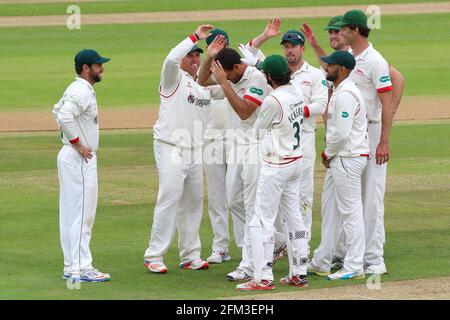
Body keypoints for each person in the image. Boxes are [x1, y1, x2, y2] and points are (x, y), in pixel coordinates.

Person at [240, 19, 328, 258]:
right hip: (277, 143)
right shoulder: (277, 70)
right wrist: (265, 35)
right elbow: (248, 51)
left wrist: (296, 111)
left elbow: (321, 104)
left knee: (302, 199)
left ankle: (301, 252)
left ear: (302, 48)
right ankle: (281, 248)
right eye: (286, 46)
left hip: (304, 140)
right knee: (279, 202)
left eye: (293, 46)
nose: (289, 50)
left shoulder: (314, 75)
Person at [143, 25, 217, 273]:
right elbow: (171, 58)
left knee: (194, 202)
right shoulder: (172, 78)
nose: (194, 59)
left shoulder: (203, 85)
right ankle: (154, 255)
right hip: (170, 146)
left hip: (195, 149)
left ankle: (190, 255)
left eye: (198, 55)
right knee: (169, 197)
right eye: (191, 56)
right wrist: (195, 37)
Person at [236, 55, 309, 291]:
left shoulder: (272, 101)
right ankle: (299, 273)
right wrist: (257, 63)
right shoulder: (296, 90)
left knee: (261, 221)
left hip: (276, 166)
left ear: (268, 77)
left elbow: (257, 130)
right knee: (294, 218)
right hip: (296, 163)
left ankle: (263, 277)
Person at [337, 10, 396, 274]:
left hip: (372, 134)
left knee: (371, 196)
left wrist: (384, 141)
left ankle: (374, 259)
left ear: (356, 30)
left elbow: (387, 102)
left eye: (344, 29)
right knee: (352, 197)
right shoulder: (349, 59)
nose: (340, 34)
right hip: (353, 134)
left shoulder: (375, 61)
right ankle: (353, 255)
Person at [206, 47, 272, 281]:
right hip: (238, 146)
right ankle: (262, 248)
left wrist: (225, 85)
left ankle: (252, 262)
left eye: (226, 75)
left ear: (235, 67)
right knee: (234, 199)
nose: (225, 80)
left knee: (252, 204)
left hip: (256, 146)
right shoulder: (229, 74)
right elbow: (202, 80)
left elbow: (245, 112)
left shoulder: (256, 78)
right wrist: (209, 58)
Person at [308, 50, 369, 280]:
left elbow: (342, 133)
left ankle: (354, 264)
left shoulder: (346, 94)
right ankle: (322, 260)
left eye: (331, 65)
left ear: (342, 69)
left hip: (347, 157)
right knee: (330, 209)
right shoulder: (340, 90)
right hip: (341, 157)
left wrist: (327, 152)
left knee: (350, 212)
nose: (326, 68)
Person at [52, 49, 111, 282]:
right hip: (79, 159)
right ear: (86, 68)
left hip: (71, 157)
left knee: (71, 214)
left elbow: (57, 111)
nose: (102, 68)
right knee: (82, 214)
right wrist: (78, 144)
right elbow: (65, 115)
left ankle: (72, 266)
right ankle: (81, 267)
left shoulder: (75, 88)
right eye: (98, 65)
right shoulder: (81, 90)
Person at [201, 29, 233, 264]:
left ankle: (250, 247)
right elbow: (201, 83)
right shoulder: (203, 75)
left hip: (237, 141)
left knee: (239, 197)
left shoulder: (238, 70)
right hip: (211, 141)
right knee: (217, 198)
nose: (219, 49)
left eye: (222, 45)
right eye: (214, 46)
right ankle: (220, 247)